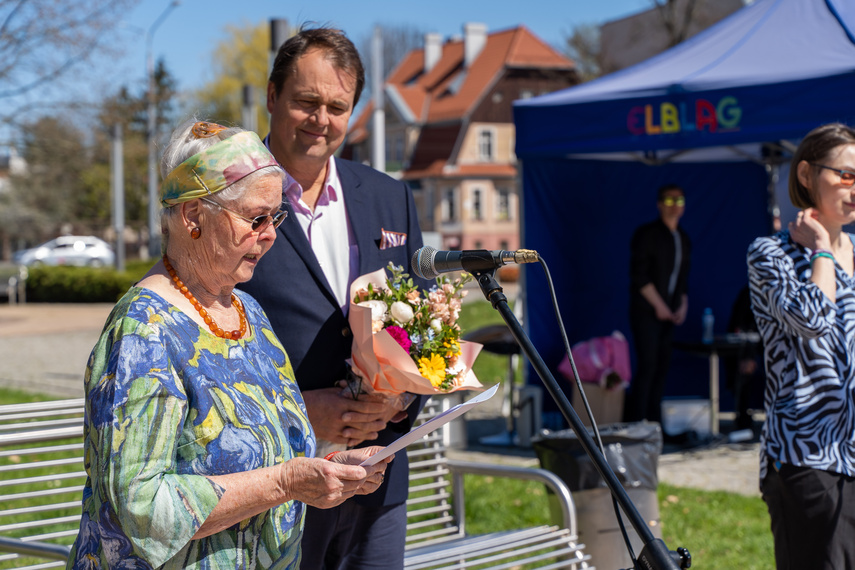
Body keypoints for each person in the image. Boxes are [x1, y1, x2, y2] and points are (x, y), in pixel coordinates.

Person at [65, 120, 391, 569]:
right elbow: (140, 507)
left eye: (275, 217)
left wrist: (332, 466)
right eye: (255, 218)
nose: (270, 234)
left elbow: (269, 446)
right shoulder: (143, 330)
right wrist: (285, 483)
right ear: (194, 216)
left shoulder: (248, 312)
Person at [237, 27, 430, 570]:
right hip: (278, 488)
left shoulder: (391, 197)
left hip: (378, 477)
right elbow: (202, 345)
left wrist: (400, 399)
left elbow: (426, 320)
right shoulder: (229, 198)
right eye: (306, 101)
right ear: (272, 97)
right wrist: (299, 413)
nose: (322, 120)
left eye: (337, 106)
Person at [747, 122, 855, 569]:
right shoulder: (770, 254)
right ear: (807, 174)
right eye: (845, 174)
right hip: (806, 454)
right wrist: (821, 251)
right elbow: (811, 321)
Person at [625, 184, 691, 424]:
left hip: (669, 313)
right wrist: (659, 306)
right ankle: (637, 423)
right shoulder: (647, 234)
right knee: (648, 365)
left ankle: (654, 426)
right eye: (670, 201)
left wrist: (681, 305)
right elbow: (639, 276)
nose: (675, 206)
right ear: (660, 204)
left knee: (663, 366)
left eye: (680, 201)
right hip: (646, 312)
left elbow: (683, 279)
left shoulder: (683, 238)